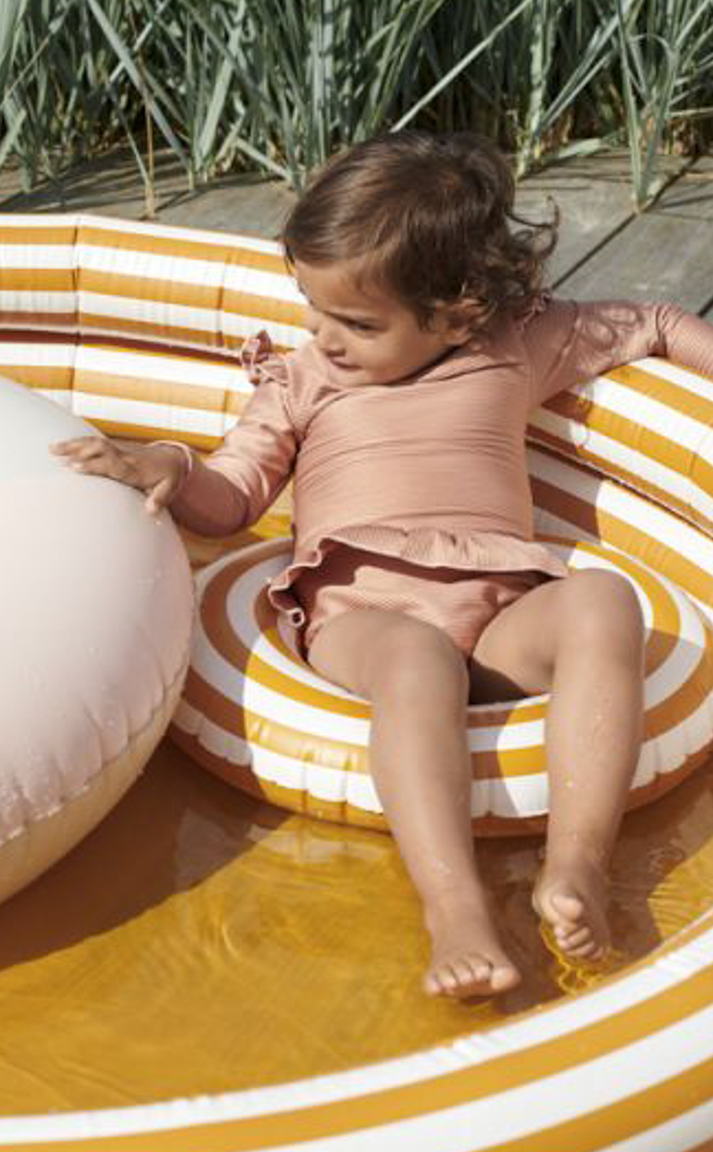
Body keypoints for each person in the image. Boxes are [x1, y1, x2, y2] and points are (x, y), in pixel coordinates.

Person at [54, 130, 713, 999]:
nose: (324, 338)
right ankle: (454, 909)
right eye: (312, 309)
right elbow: (234, 496)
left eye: (358, 323)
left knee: (603, 602)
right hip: (361, 613)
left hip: (505, 607)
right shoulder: (301, 382)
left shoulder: (515, 343)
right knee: (418, 658)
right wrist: (171, 466)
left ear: (457, 312)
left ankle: (578, 867)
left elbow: (657, 323)